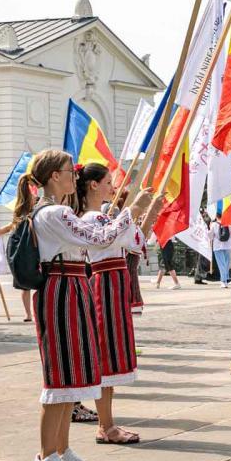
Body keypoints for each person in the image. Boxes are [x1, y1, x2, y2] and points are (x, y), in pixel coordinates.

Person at [17, 149, 154, 461]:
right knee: (61, 374)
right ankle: (45, 454)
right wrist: (129, 212)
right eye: (68, 171)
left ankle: (61, 449)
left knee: (75, 374)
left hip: (74, 284)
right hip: (60, 287)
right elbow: (99, 238)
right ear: (54, 177)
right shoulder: (51, 213)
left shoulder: (60, 211)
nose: (74, 177)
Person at [76, 163, 147, 445]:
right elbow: (108, 239)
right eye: (107, 182)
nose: (112, 187)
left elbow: (135, 241)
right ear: (93, 184)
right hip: (102, 284)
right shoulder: (90, 218)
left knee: (112, 355)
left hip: (114, 284)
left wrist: (143, 211)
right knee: (105, 355)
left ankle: (108, 423)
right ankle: (105, 425)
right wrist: (134, 210)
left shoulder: (105, 217)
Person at [210, 215, 231, 288]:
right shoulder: (228, 224)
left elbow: (210, 236)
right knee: (226, 264)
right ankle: (225, 279)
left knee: (221, 264)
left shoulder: (213, 224)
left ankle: (223, 281)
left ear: (216, 216)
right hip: (228, 246)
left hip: (217, 247)